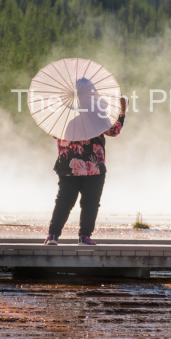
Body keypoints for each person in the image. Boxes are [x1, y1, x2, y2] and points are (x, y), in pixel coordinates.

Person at [44, 96, 127, 246]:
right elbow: (114, 131)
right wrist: (123, 110)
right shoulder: (97, 118)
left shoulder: (64, 117)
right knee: (90, 203)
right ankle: (84, 237)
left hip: (68, 165)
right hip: (93, 166)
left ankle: (53, 235)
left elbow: (55, 134)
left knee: (64, 200)